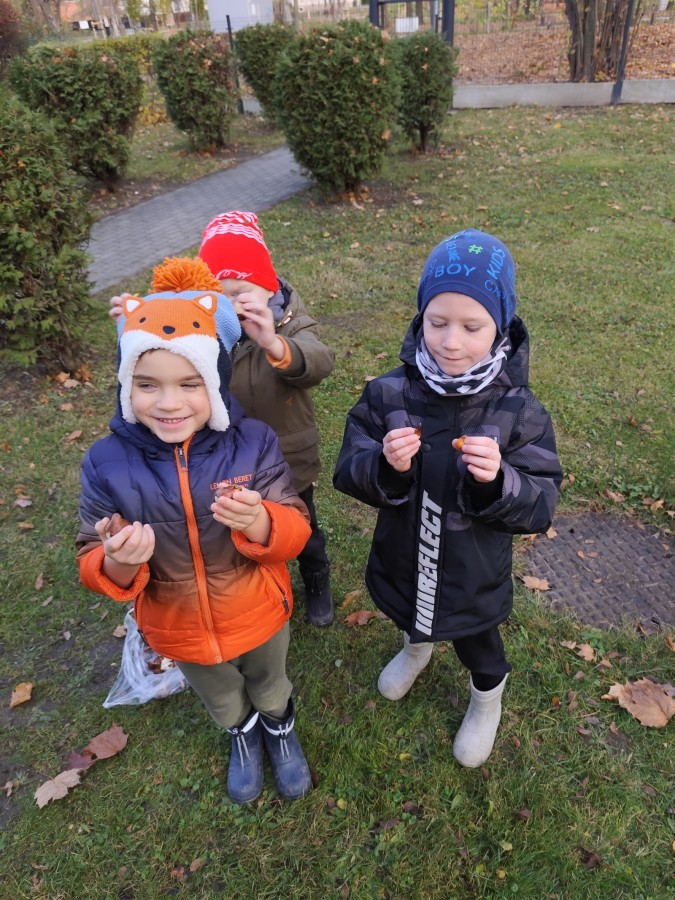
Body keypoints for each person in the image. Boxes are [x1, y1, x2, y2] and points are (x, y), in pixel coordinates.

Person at [78, 258, 314, 804]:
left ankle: (278, 727)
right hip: (176, 627)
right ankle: (242, 733)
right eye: (147, 385)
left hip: (258, 611)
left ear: (217, 382)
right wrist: (117, 561)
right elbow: (90, 551)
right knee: (221, 695)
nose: (168, 403)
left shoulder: (254, 444)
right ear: (125, 385)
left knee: (270, 682)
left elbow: (296, 529)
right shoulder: (105, 463)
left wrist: (261, 521)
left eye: (190, 383)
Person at [333, 228, 562, 768]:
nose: (451, 342)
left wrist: (497, 481)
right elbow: (348, 468)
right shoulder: (389, 392)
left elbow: (541, 500)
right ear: (420, 318)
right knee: (409, 612)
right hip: (404, 552)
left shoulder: (519, 411)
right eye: (437, 323)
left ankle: (486, 698)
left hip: (470, 572)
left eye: (471, 327)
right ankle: (415, 650)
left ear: (500, 326)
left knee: (478, 645)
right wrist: (385, 465)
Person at [110, 212, 336, 627]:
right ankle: (255, 591)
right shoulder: (200, 330)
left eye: (241, 291)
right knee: (239, 529)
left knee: (301, 524)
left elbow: (320, 362)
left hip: (288, 458)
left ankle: (316, 577)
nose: (231, 303)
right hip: (223, 461)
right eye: (219, 293)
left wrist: (273, 342)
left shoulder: (288, 319)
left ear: (268, 289)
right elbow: (154, 358)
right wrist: (134, 321)